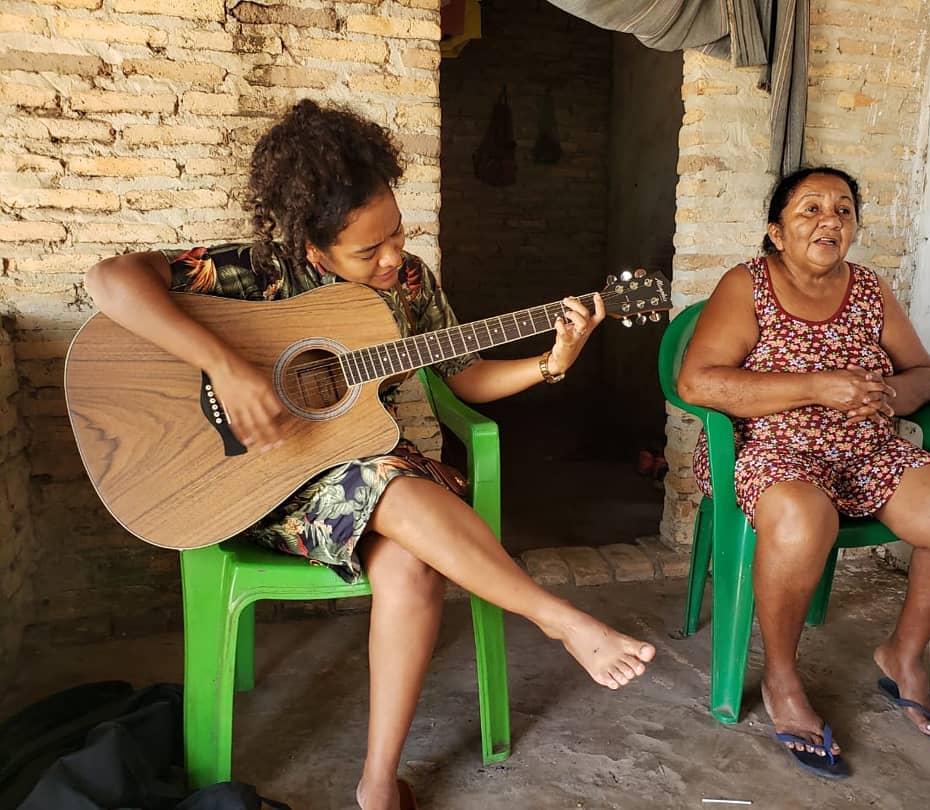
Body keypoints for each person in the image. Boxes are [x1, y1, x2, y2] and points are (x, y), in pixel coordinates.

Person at [84, 99, 655, 810]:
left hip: (363, 471)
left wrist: (550, 363)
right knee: (393, 478)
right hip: (261, 487)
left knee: (410, 561)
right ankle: (560, 620)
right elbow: (110, 279)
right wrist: (226, 366)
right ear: (313, 247)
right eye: (368, 251)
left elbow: (465, 375)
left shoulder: (410, 281)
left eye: (397, 234)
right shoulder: (257, 272)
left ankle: (378, 783)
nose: (393, 259)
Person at [677, 167, 930, 778]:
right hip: (772, 451)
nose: (831, 221)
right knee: (801, 515)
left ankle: (902, 654)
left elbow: (925, 373)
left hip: (868, 450)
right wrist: (817, 386)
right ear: (776, 231)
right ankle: (783, 680)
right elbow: (698, 381)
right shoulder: (748, 285)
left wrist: (890, 397)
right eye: (811, 209)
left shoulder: (870, 289)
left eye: (844, 210)